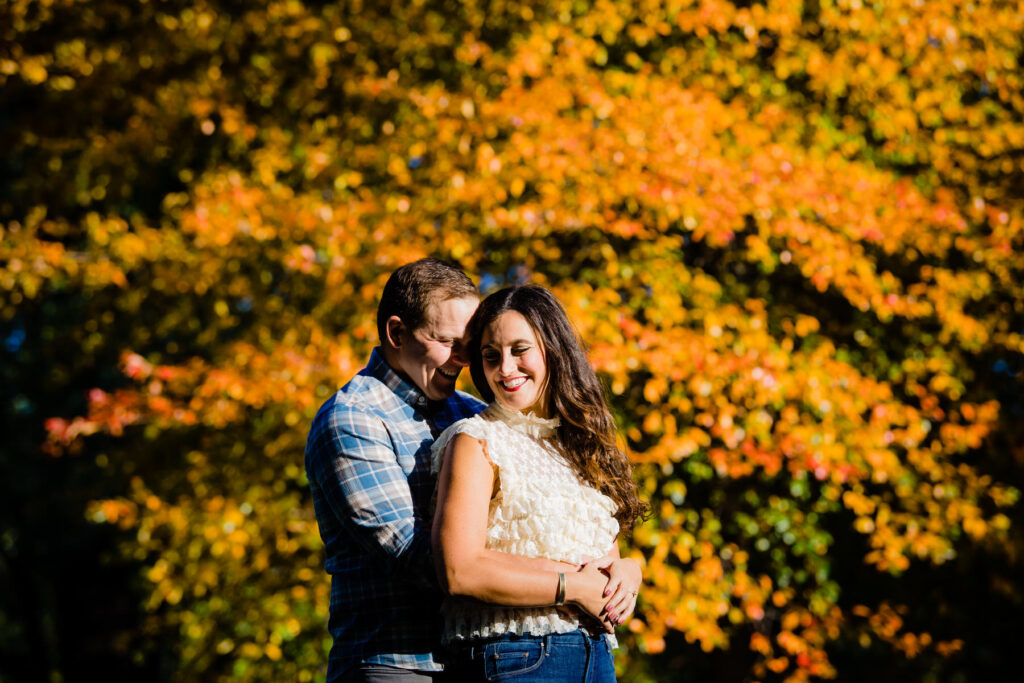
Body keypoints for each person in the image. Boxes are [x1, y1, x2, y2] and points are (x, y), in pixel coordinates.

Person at [431, 284, 648, 682]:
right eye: (491, 356)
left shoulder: (580, 443)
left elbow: (604, 560)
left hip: (595, 656)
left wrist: (630, 572)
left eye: (520, 350)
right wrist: (572, 588)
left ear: (552, 348)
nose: (506, 369)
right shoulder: (476, 439)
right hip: (517, 657)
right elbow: (458, 570)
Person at [305, 258, 484, 682]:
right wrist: (560, 581)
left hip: (477, 663)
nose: (463, 359)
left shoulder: (475, 415)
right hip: (396, 665)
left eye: (469, 344)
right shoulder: (352, 418)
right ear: (397, 332)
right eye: (448, 342)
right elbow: (420, 556)